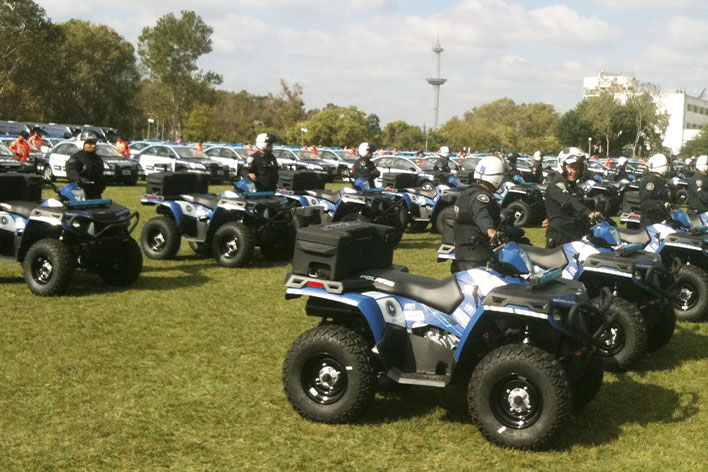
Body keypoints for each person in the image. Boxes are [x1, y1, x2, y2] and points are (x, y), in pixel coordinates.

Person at [452, 155, 506, 272]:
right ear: (496, 178)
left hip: (462, 253)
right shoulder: (481, 197)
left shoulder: (466, 194)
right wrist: (490, 230)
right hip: (476, 257)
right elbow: (481, 214)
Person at [544, 147, 602, 248]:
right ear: (562, 165)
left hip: (573, 233)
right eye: (571, 167)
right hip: (560, 237)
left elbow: (579, 202)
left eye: (577, 168)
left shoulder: (572, 185)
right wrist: (588, 213)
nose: (574, 171)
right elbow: (569, 200)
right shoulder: (557, 183)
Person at [66, 131, 106, 199]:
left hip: (96, 194)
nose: (93, 145)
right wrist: (78, 178)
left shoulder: (97, 159)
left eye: (94, 143)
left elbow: (101, 173)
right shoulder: (76, 158)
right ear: (82, 144)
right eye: (90, 143)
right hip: (80, 194)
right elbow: (71, 170)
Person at [639, 153, 671, 227]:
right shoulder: (652, 181)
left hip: (658, 219)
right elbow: (645, 202)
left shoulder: (659, 180)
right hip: (650, 221)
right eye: (666, 165)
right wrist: (661, 204)